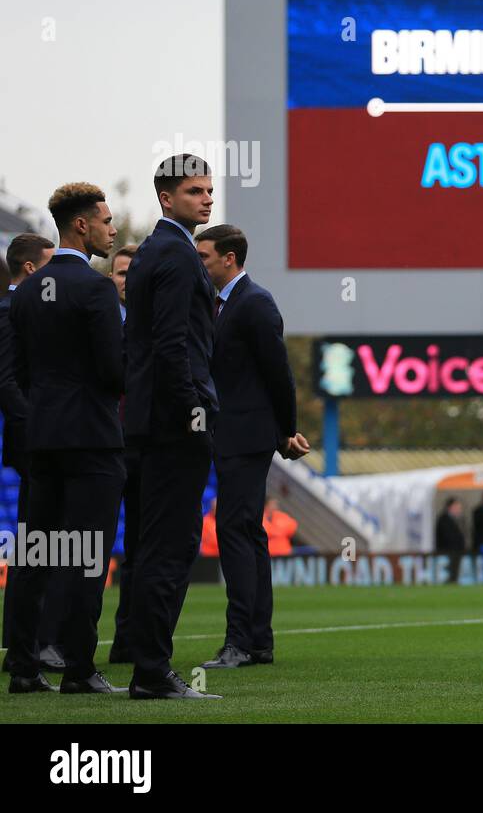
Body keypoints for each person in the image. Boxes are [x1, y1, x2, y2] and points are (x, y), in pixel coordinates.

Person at [7, 184, 126, 694]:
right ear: (82, 225)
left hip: (41, 440)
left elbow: (16, 371)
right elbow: (113, 372)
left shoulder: (26, 291)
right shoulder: (98, 290)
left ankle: (24, 667)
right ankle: (79, 669)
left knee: (36, 554)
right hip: (92, 441)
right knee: (86, 555)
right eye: (106, 221)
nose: (112, 229)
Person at [124, 153, 221, 700]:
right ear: (166, 198)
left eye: (208, 190)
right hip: (172, 425)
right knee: (171, 546)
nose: (206, 199)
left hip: (147, 421)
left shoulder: (151, 253)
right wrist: (193, 415)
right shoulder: (179, 256)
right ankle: (152, 672)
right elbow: (172, 346)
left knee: (154, 547)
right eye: (194, 192)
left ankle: (147, 667)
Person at [196, 224, 306, 670]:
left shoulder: (254, 303)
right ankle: (257, 640)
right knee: (247, 534)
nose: (198, 263)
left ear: (229, 258)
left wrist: (285, 431)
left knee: (236, 533)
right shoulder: (220, 305)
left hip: (247, 436)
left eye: (204, 256)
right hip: (235, 434)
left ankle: (240, 641)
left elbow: (277, 371)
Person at [0, 233, 55, 676]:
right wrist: (34, 425)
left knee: (43, 547)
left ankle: (31, 647)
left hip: (40, 440)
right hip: (34, 443)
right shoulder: (9, 311)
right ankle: (24, 651)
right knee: (35, 548)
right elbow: (7, 381)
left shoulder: (28, 309)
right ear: (32, 269)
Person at [107, 243, 141, 665]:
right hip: (100, 444)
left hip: (140, 445)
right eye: (120, 274)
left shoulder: (155, 324)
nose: (127, 281)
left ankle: (127, 641)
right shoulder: (99, 322)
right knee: (85, 544)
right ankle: (60, 642)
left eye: (134, 273)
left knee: (139, 545)